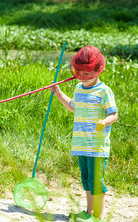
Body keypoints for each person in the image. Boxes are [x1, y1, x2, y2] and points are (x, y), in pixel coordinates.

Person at [49, 45, 118, 222]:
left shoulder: (104, 91)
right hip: (81, 145)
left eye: (87, 74)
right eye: (79, 73)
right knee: (86, 181)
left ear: (98, 70)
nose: (82, 77)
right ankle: (88, 213)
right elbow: (73, 107)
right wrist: (58, 93)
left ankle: (98, 217)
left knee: (96, 183)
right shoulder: (79, 88)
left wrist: (104, 122)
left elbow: (114, 114)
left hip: (97, 147)